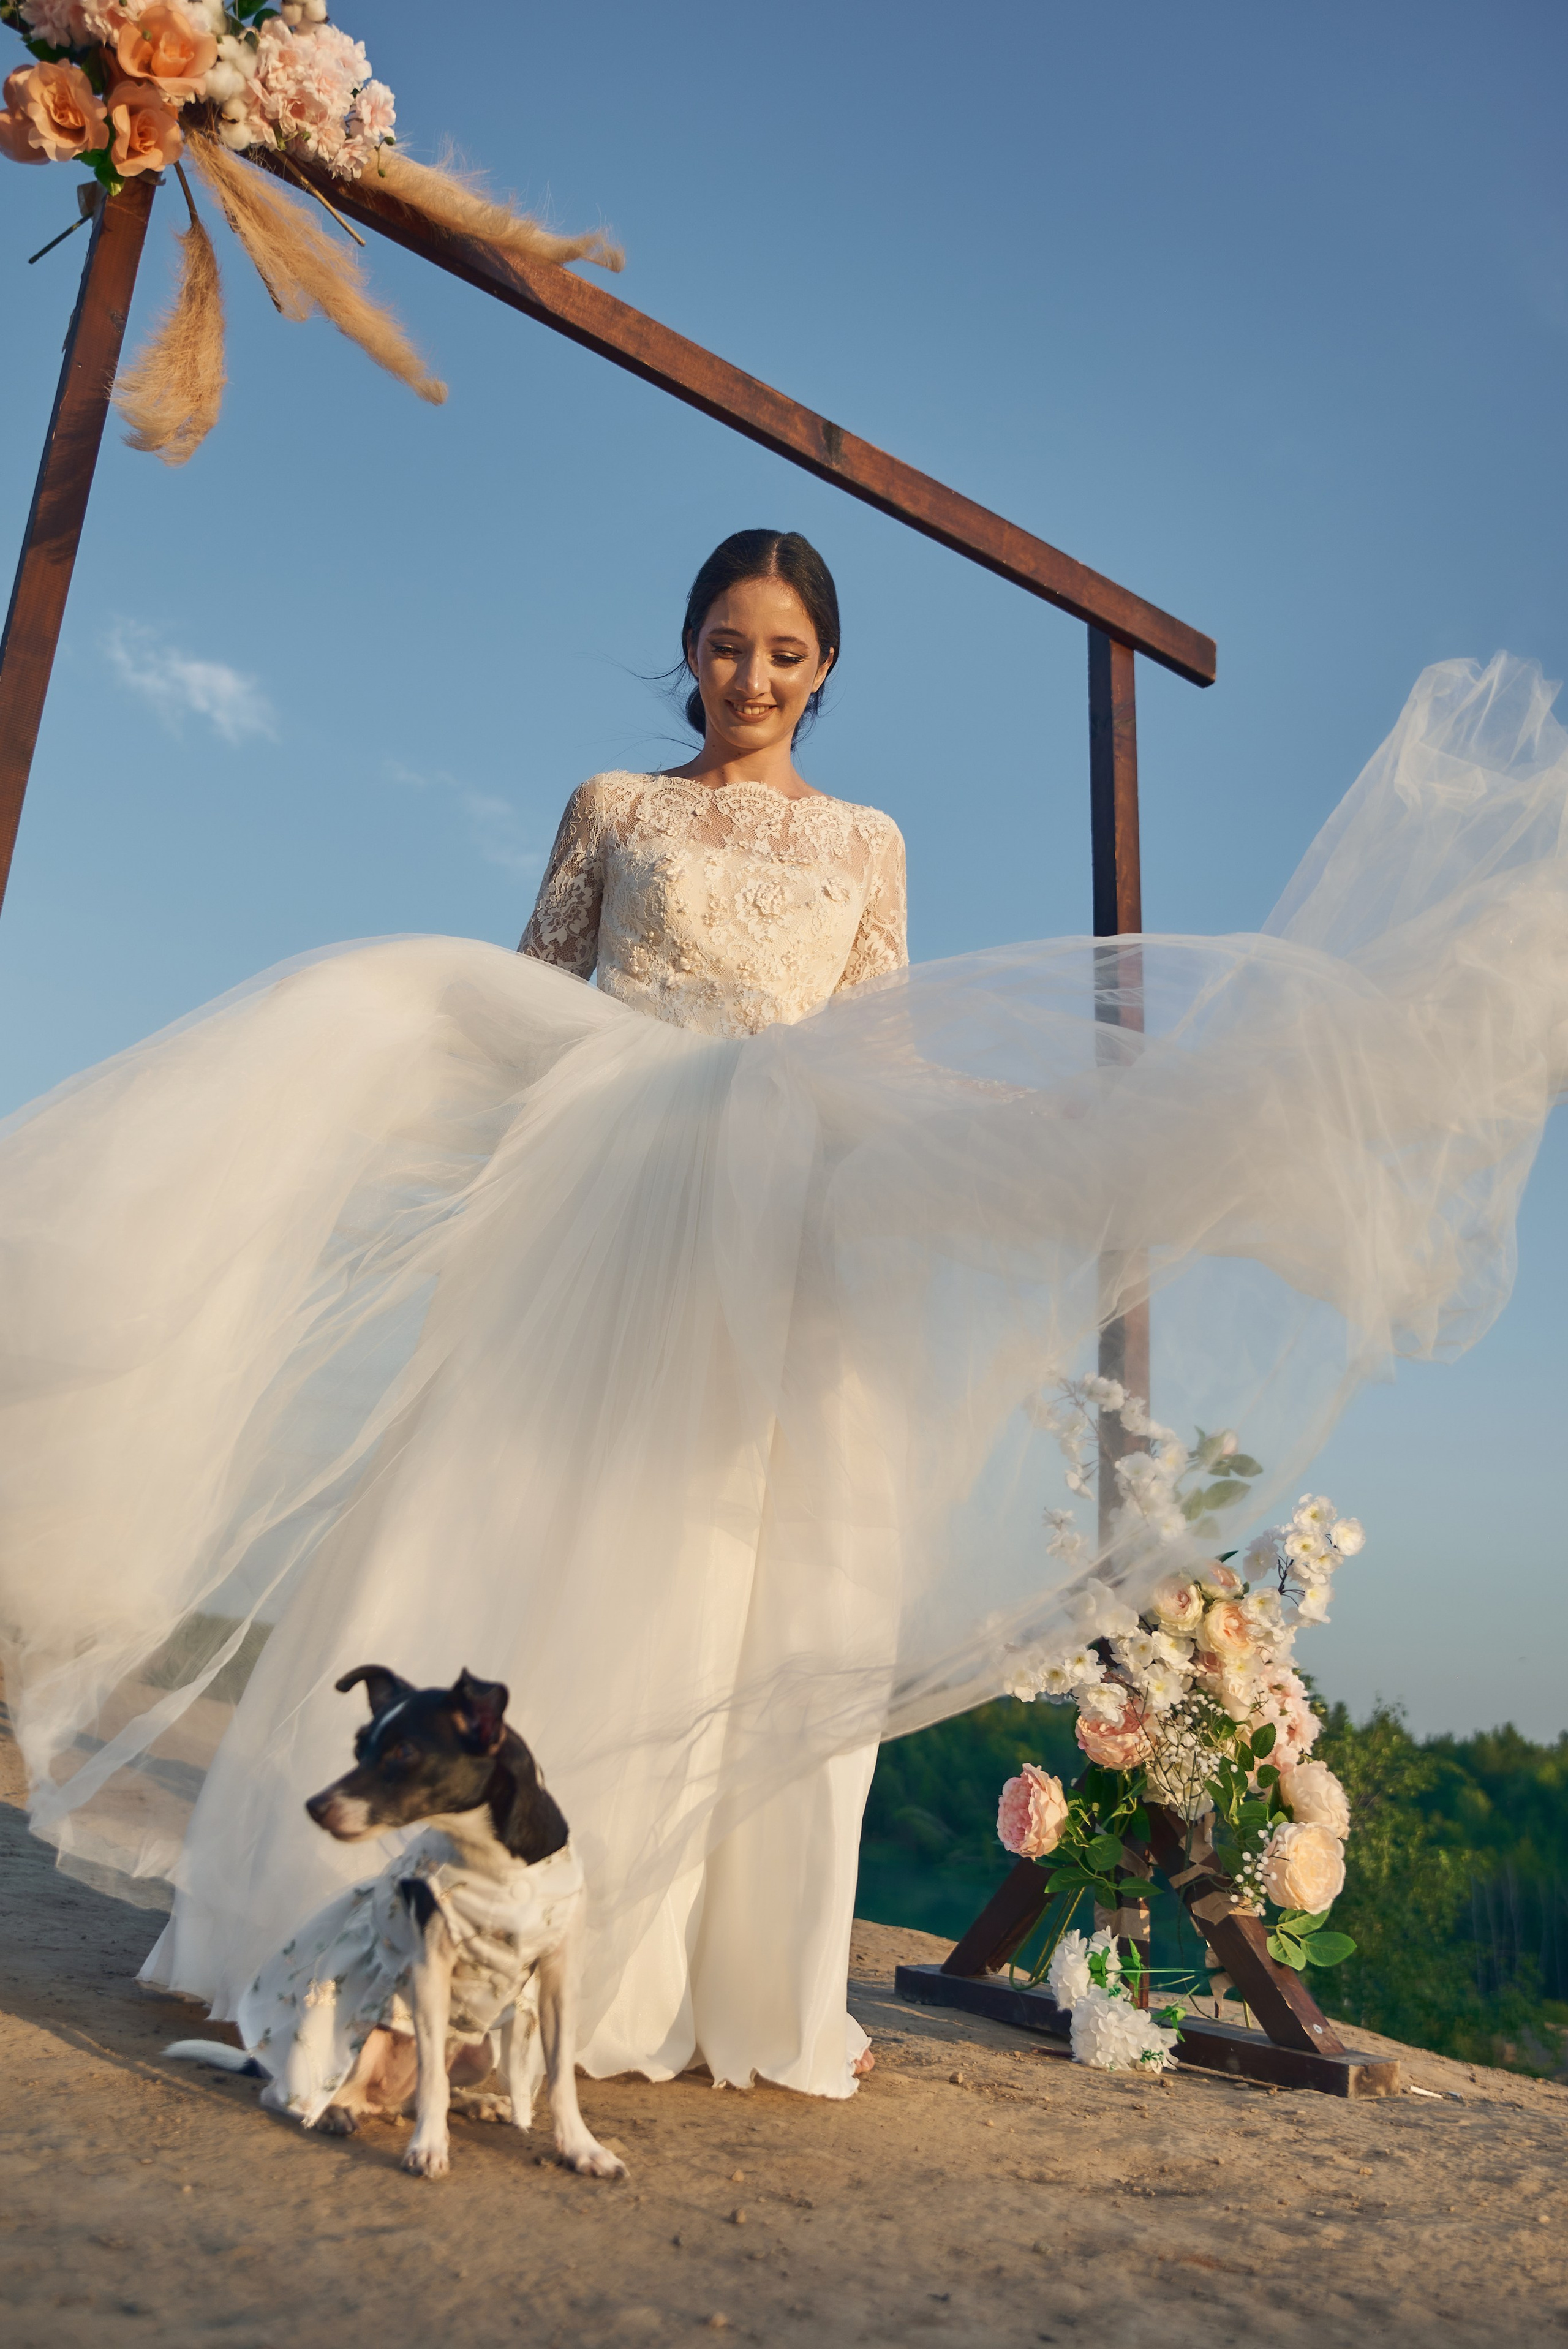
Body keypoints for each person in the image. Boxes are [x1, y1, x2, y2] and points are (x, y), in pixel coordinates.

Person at [1, 529, 1564, 2103]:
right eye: (727, 644)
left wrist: (1057, 1130)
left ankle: (676, 1966)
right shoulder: (613, 807)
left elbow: (874, 1038)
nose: (752, 677)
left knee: (740, 1556)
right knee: (518, 1518)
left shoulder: (868, 843)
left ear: (824, 672)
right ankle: (385, 1946)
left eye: (786, 654)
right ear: (686, 646)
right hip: (605, 1192)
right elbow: (535, 990)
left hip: (780, 1220)